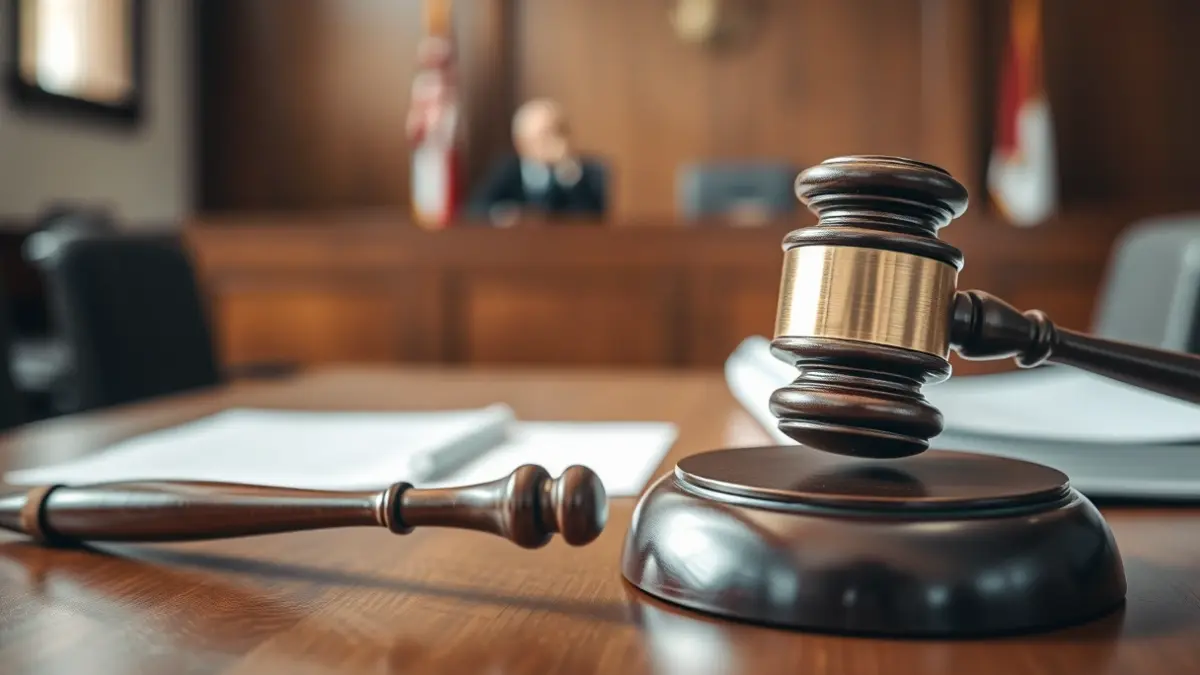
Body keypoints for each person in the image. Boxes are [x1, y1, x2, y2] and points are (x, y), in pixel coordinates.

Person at [467, 99, 607, 224]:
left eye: (560, 131)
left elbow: (593, 218)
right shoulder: (508, 170)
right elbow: (475, 210)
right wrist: (505, 214)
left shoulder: (587, 173)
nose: (554, 141)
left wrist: (568, 173)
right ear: (521, 142)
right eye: (545, 134)